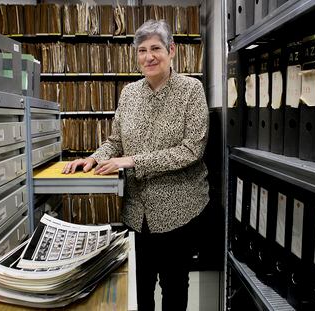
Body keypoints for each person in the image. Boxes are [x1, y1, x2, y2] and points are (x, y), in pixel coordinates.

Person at [62, 19, 209, 311]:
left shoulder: (191, 90)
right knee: (141, 288)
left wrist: (133, 160)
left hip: (178, 210)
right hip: (136, 210)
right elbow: (115, 142)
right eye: (142, 50)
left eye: (156, 48)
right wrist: (94, 157)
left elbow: (191, 150)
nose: (149, 56)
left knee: (174, 289)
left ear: (172, 50)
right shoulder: (129, 93)